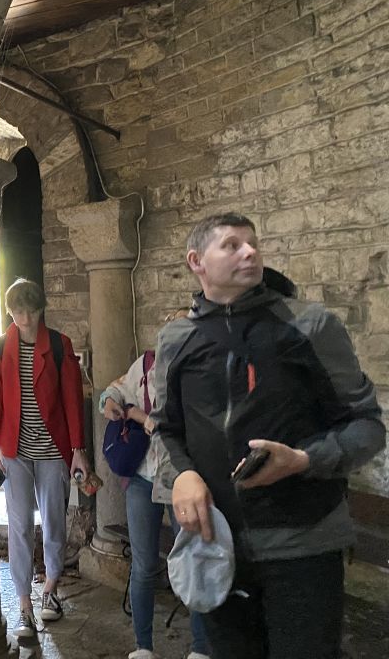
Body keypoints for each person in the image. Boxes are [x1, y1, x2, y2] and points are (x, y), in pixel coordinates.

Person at [153, 212, 385, 659]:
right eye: (232, 244)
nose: (250, 252)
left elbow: (367, 425)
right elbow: (166, 428)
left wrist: (304, 460)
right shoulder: (176, 339)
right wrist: (181, 475)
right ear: (196, 262)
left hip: (303, 544)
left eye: (253, 243)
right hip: (218, 545)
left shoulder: (310, 326)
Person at [99, 311, 210, 659]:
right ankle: (143, 646)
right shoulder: (145, 365)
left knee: (193, 560)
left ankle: (200, 648)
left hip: (183, 478)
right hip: (143, 478)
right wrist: (114, 404)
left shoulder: (200, 371)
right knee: (144, 564)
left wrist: (139, 414)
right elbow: (113, 392)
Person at [0, 278, 89, 638]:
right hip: (14, 450)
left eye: (31, 311)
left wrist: (78, 450)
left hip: (52, 448)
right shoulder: (1, 347)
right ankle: (23, 606)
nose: (25, 319)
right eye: (18, 312)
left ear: (41, 309)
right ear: (10, 312)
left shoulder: (60, 345)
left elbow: (72, 400)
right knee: (18, 527)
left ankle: (51, 589)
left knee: (53, 521)